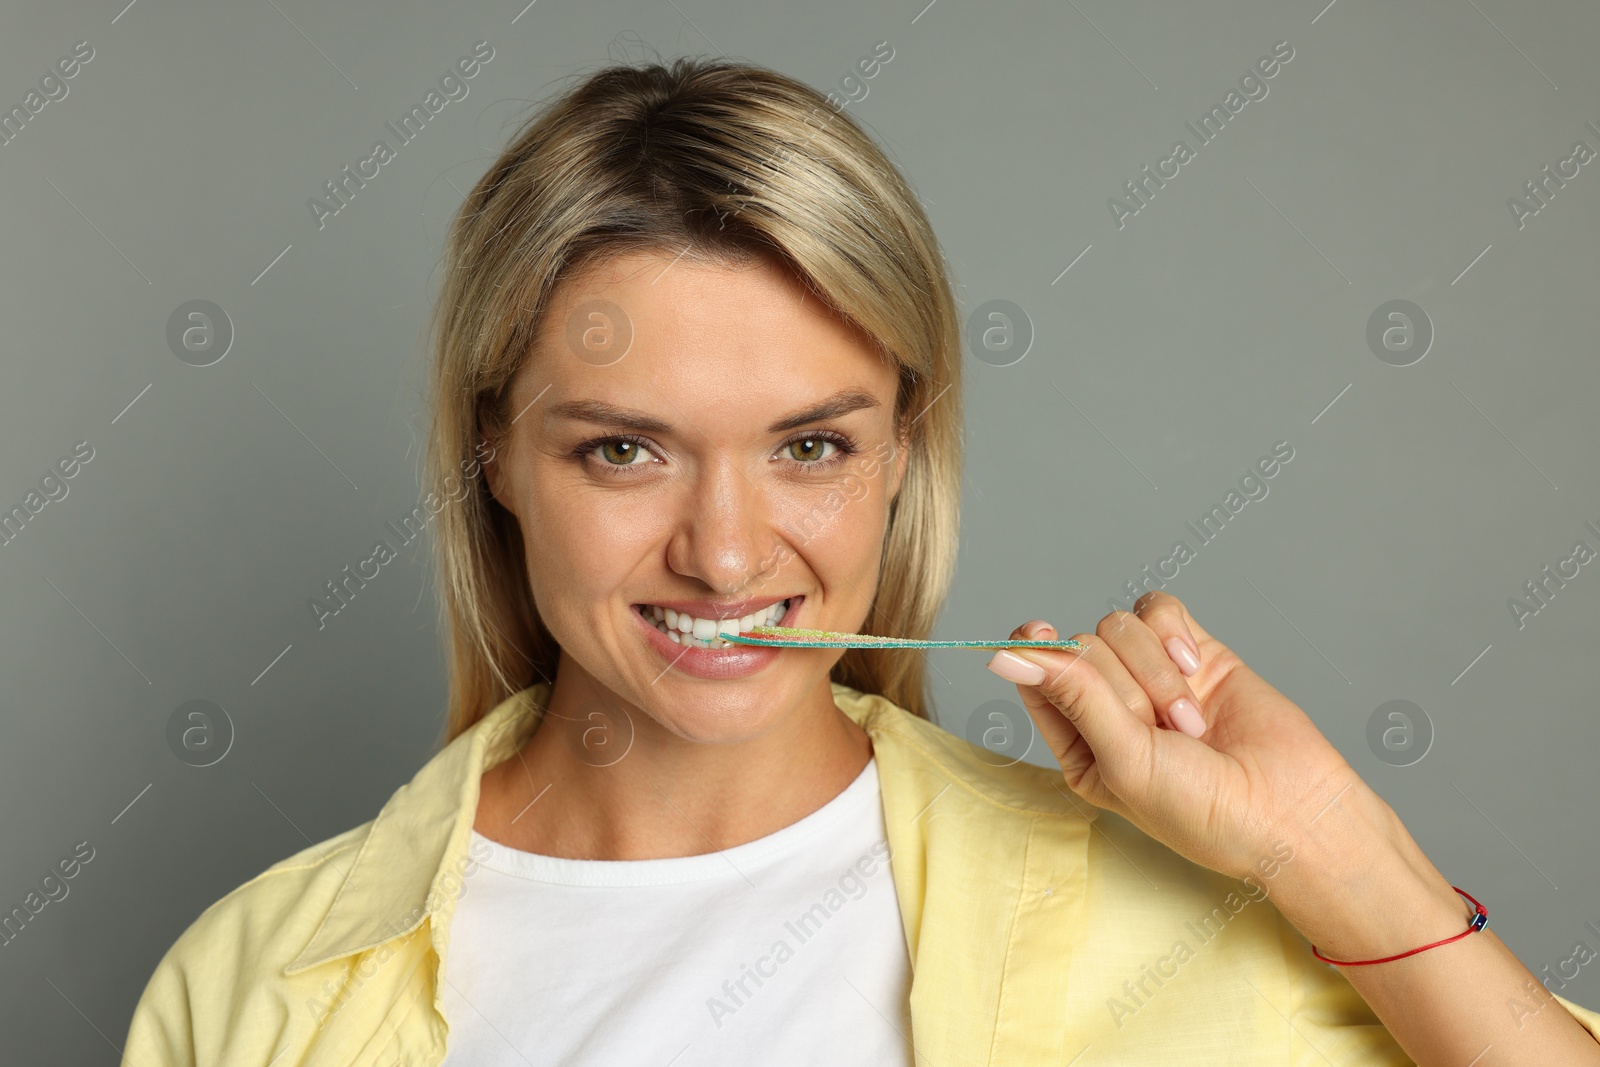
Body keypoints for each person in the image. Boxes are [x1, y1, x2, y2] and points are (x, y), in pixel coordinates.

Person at [121, 57, 1600, 1066]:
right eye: (622, 451)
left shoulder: (1167, 915)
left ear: (905, 450)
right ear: (494, 455)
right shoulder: (250, 986)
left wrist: (1332, 850)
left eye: (810, 447)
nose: (723, 551)